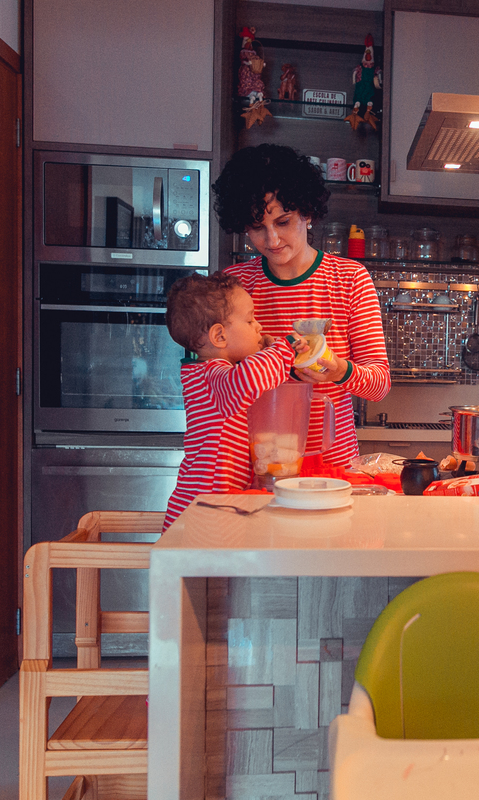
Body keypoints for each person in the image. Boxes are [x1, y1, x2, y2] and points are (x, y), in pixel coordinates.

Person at [214, 143, 390, 468]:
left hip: (331, 468)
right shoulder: (233, 285)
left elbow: (379, 383)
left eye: (283, 222)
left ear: (307, 213)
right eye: (257, 228)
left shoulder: (349, 279)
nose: (272, 240)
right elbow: (216, 377)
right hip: (255, 465)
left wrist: (339, 370)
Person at [161, 271, 309, 529]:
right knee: (204, 569)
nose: (259, 327)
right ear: (219, 337)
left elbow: (248, 376)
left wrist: (266, 353)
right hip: (205, 508)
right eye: (250, 320)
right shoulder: (213, 376)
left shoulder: (215, 375)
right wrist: (284, 348)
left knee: (216, 569)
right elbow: (249, 379)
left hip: (210, 505)